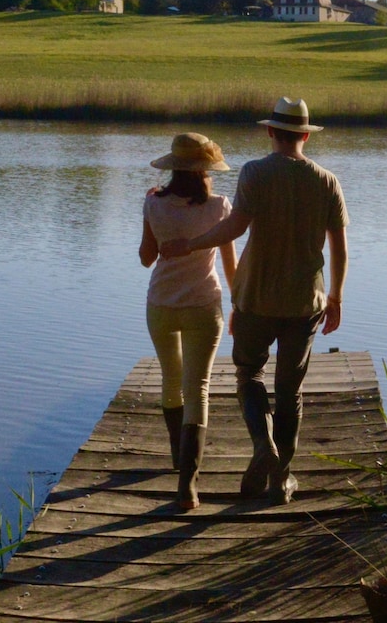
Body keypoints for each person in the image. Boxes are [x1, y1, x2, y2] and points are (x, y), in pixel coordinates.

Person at [160, 97, 348, 505]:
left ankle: (263, 445)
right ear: (304, 135)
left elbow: (232, 228)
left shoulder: (255, 173)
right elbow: (340, 248)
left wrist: (188, 245)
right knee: (290, 391)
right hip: (305, 302)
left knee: (249, 375)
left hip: (255, 298)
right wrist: (335, 296)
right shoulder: (328, 181)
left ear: (270, 132)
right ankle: (281, 481)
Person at [139, 132, 236, 510]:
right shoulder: (220, 206)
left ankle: (178, 456)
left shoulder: (153, 205)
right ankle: (187, 486)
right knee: (199, 388)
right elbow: (230, 266)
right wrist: (239, 303)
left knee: (171, 381)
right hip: (203, 305)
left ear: (173, 167)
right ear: (206, 169)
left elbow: (147, 258)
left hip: (161, 303)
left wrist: (150, 211)